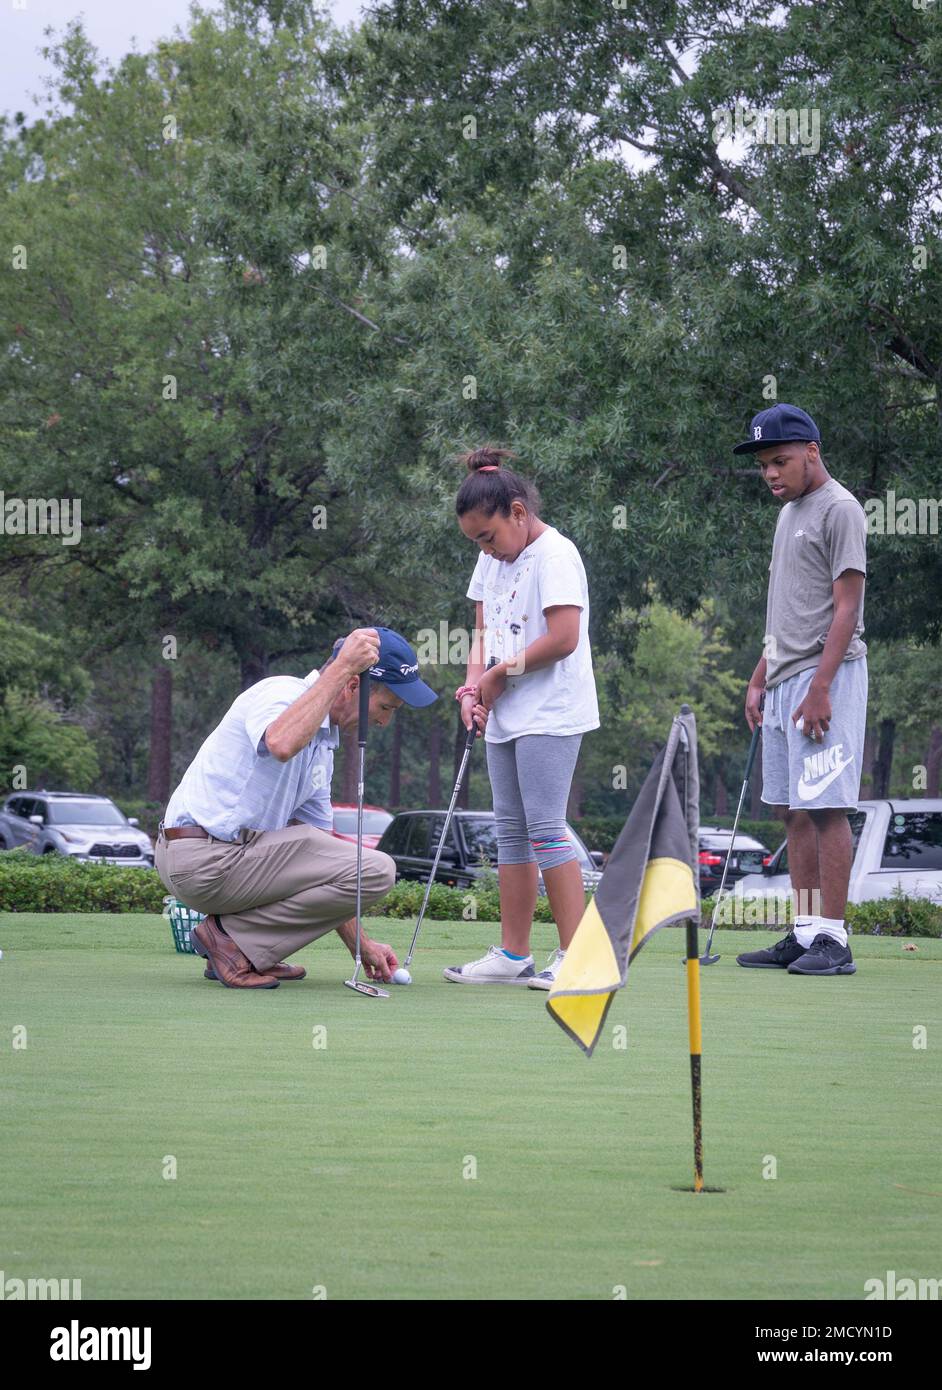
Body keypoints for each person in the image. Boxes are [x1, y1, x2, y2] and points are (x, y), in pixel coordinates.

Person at [155, 627, 437, 989]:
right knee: (380, 868)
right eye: (385, 707)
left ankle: (242, 947)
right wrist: (342, 669)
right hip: (201, 859)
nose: (384, 721)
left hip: (225, 862)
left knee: (360, 867)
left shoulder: (322, 747)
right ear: (352, 686)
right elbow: (280, 742)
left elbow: (326, 867)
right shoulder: (281, 692)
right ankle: (230, 942)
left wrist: (361, 946)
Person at [442, 446, 599, 989]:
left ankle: (579, 959)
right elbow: (481, 629)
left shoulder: (557, 555)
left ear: (516, 511)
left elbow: (562, 638)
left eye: (488, 537)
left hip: (551, 710)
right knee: (509, 832)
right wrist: (470, 688)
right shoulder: (493, 557)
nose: (485, 550)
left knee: (546, 829)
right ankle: (513, 953)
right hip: (506, 710)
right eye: (476, 543)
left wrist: (498, 676)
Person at [733, 404, 868, 976]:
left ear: (812, 451)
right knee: (791, 810)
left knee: (827, 807)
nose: (771, 473)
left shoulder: (840, 509)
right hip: (785, 678)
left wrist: (821, 685)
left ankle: (834, 941)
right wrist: (761, 675)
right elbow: (790, 608)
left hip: (826, 680)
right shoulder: (788, 514)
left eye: (780, 461)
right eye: (764, 464)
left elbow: (846, 607)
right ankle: (806, 929)